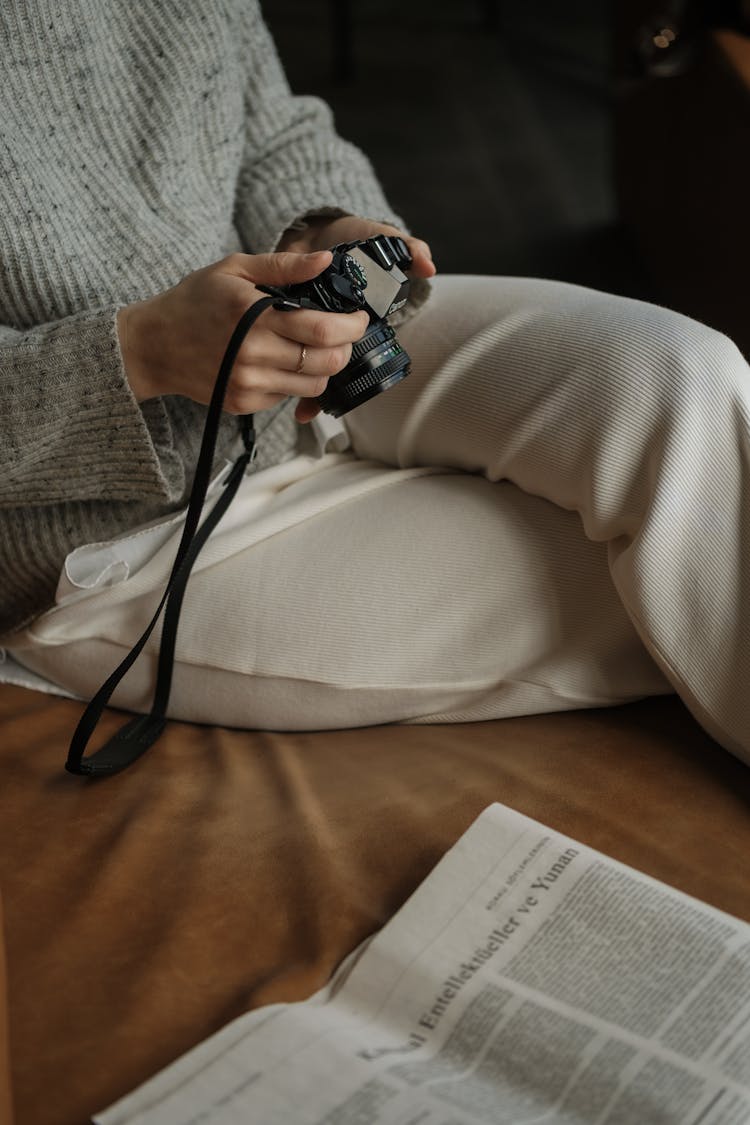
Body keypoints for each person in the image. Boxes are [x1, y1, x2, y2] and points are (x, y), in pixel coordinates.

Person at [1, 1, 749, 766]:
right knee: (686, 581)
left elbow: (275, 132)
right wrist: (144, 352)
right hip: (121, 536)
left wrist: (331, 232)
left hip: (313, 345)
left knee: (684, 382)